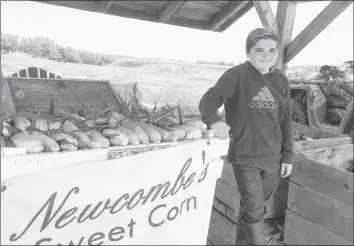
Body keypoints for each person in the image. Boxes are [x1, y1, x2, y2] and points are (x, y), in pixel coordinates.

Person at [199, 27, 293, 245]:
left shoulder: (282, 81)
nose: (266, 54)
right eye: (259, 49)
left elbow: (286, 121)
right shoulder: (236, 75)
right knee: (254, 209)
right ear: (248, 52)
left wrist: (287, 155)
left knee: (254, 208)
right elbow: (210, 98)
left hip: (273, 158)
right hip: (245, 155)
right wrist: (214, 119)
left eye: (272, 50)